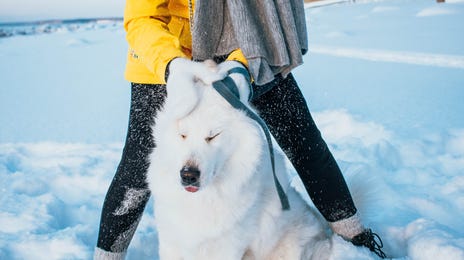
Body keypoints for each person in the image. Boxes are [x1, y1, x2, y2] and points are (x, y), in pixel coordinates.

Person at [94, 0, 387, 259]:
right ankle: (106, 257)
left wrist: (241, 66)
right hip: (166, 58)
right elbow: (141, 18)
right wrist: (173, 67)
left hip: (254, 50)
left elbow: (271, 11)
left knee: (304, 144)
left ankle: (354, 239)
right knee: (135, 170)